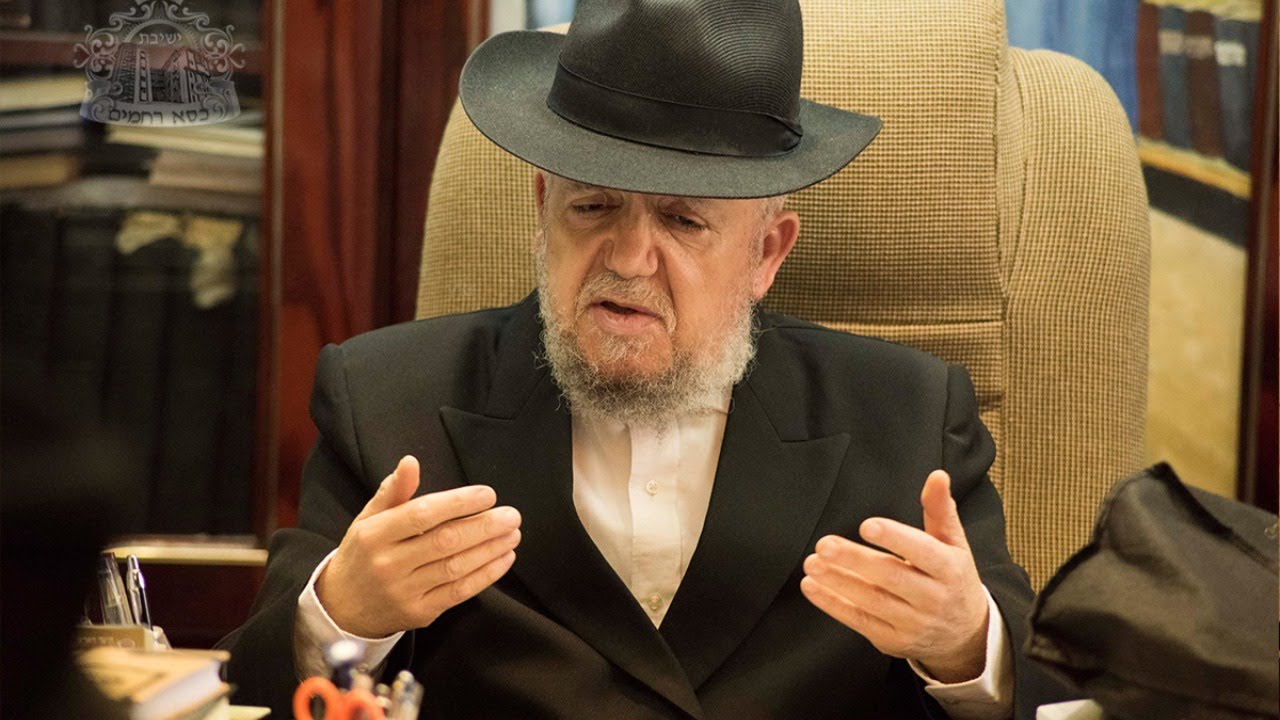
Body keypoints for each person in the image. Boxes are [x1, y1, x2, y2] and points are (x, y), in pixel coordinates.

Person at [221, 1, 1071, 717]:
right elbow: (239, 686)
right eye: (594, 207)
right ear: (542, 207)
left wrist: (966, 647)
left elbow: (1054, 692)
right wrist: (343, 615)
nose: (629, 259)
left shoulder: (909, 419)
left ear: (767, 252)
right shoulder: (384, 400)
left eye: (682, 220)